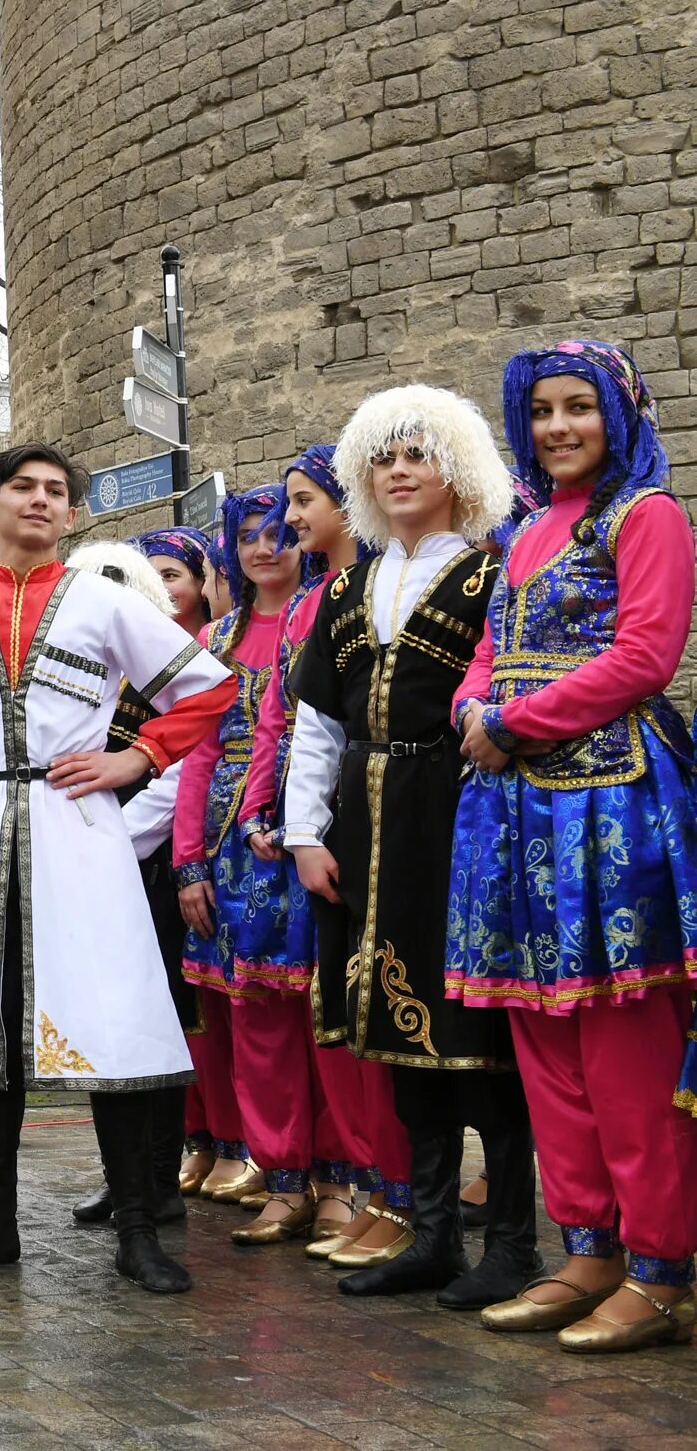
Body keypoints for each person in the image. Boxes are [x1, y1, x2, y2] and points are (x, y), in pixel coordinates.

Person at [0, 443, 237, 1294]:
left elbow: (210, 689)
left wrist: (136, 755)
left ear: (72, 514)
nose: (39, 501)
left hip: (79, 832)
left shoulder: (105, 603)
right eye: (22, 489)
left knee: (105, 1019)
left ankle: (140, 1229)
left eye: (56, 491)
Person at [447, 341, 697, 1350]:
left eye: (578, 409)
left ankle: (658, 1264)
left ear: (618, 414)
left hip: (611, 804)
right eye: (541, 411)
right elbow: (487, 651)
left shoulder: (648, 516)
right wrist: (473, 702)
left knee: (621, 1041)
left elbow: (646, 653)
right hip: (511, 812)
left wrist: (513, 722)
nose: (557, 428)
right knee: (542, 1038)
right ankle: (586, 1248)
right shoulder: (519, 530)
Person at [279, 385, 542, 1311]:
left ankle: (511, 1244)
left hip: (460, 814)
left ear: (456, 470)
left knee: (485, 1034)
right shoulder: (346, 588)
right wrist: (305, 831)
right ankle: (431, 1234)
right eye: (383, 456)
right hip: (364, 822)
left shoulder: (492, 574)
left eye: (417, 455)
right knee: (395, 1035)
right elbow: (316, 724)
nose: (398, 470)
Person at [234, 447, 415, 1268]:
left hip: (359, 819)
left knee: (351, 1007)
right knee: (286, 1009)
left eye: (304, 501)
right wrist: (259, 811)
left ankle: (363, 1177)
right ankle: (295, 1174)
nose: (291, 519)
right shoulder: (311, 601)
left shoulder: (375, 590)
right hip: (288, 830)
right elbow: (281, 721)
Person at [170, 484, 353, 1249]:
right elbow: (198, 752)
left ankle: (343, 1175)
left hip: (315, 825)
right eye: (248, 535)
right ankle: (280, 1174)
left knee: (327, 1015)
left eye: (278, 530)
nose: (264, 546)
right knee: (255, 1019)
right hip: (230, 845)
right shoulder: (214, 639)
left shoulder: (330, 614)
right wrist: (187, 861)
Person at [59, 539, 191, 1232]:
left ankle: (159, 1179)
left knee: (152, 1023)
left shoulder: (158, 671)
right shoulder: (69, 674)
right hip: (84, 867)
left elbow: (178, 772)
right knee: (102, 1026)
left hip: (145, 867)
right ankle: (123, 1176)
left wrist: (109, 843)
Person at [133, 526, 252, 1201]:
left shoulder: (208, 655)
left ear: (202, 581)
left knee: (212, 1002)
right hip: (152, 843)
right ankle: (195, 1137)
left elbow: (194, 761)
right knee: (172, 1007)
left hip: (194, 835)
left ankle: (236, 1140)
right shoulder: (124, 661)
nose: (160, 590)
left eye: (172, 575)